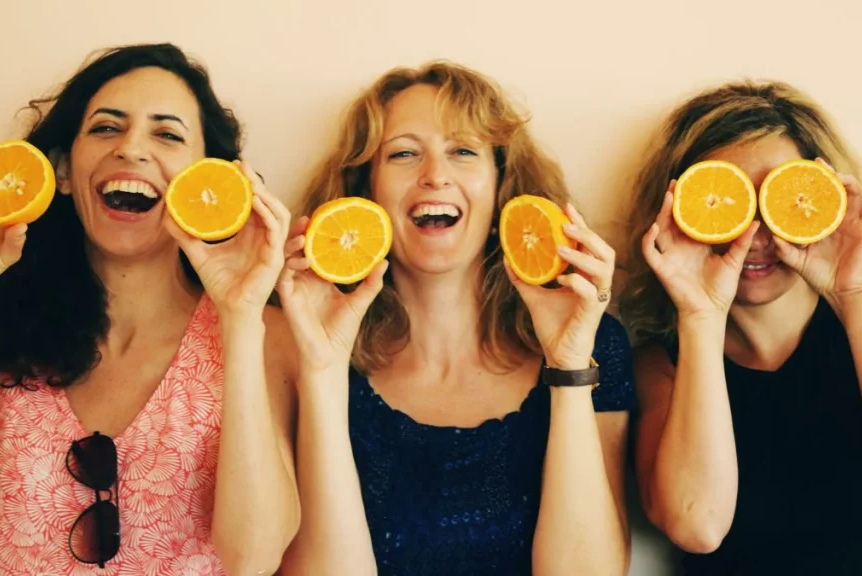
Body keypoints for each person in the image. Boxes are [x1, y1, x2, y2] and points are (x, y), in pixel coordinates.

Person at [0, 43, 300, 574]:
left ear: (207, 185)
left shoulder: (267, 336)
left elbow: (254, 556)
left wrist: (239, 315)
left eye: (168, 134)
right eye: (106, 128)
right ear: (61, 170)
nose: (131, 149)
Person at [273, 61, 637, 575]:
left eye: (463, 151)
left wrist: (569, 363)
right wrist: (323, 368)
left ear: (501, 186)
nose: (435, 175)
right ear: (366, 190)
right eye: (403, 153)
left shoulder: (599, 347)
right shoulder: (296, 344)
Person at [620, 80, 862, 575]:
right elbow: (697, 525)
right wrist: (700, 316)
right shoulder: (662, 363)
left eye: (780, 198)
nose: (754, 235)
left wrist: (854, 292)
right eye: (727, 200)